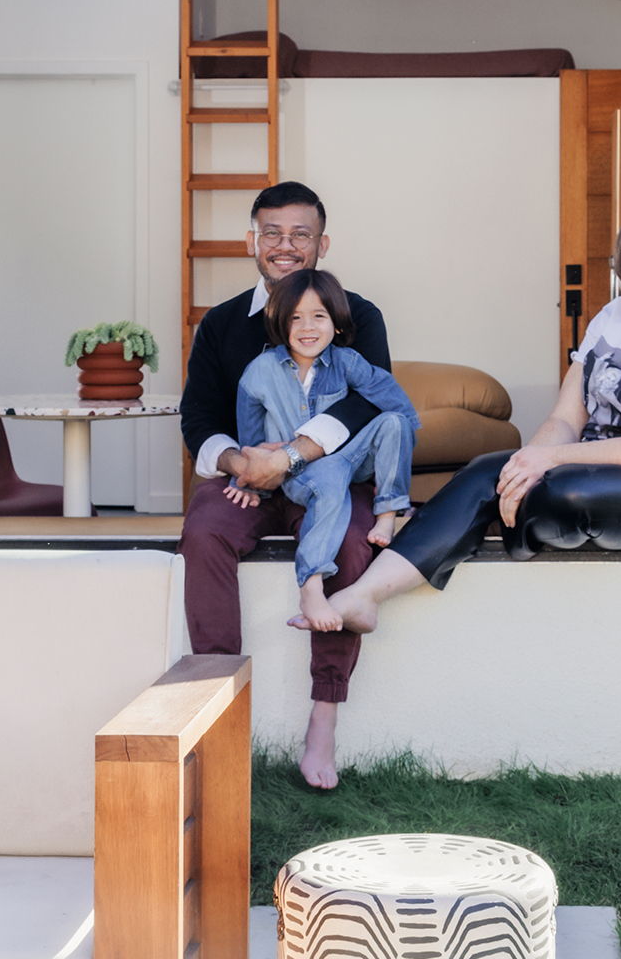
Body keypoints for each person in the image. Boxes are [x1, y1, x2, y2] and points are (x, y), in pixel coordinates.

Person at [293, 201, 621, 635]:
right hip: (595, 463)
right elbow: (565, 420)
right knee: (487, 470)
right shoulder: (615, 315)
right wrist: (526, 464)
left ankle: (515, 518)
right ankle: (365, 594)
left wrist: (547, 462)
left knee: (565, 494)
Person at [178, 181, 391, 789]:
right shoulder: (221, 324)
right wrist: (241, 463)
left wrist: (290, 457)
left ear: (322, 243)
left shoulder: (358, 316)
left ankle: (323, 717)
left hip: (329, 478)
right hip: (245, 481)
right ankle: (215, 710)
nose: (285, 246)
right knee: (204, 532)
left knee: (353, 545)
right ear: (253, 240)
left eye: (300, 234)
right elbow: (200, 419)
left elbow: (368, 405)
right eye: (271, 233)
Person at [226, 269, 419, 631]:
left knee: (394, 423)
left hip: (351, 459)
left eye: (319, 316)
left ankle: (389, 513)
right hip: (296, 472)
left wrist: (401, 433)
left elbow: (398, 405)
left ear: (337, 323)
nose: (307, 327)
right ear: (280, 324)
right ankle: (311, 587)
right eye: (295, 317)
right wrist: (248, 481)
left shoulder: (347, 361)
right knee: (329, 477)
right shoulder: (260, 372)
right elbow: (249, 442)